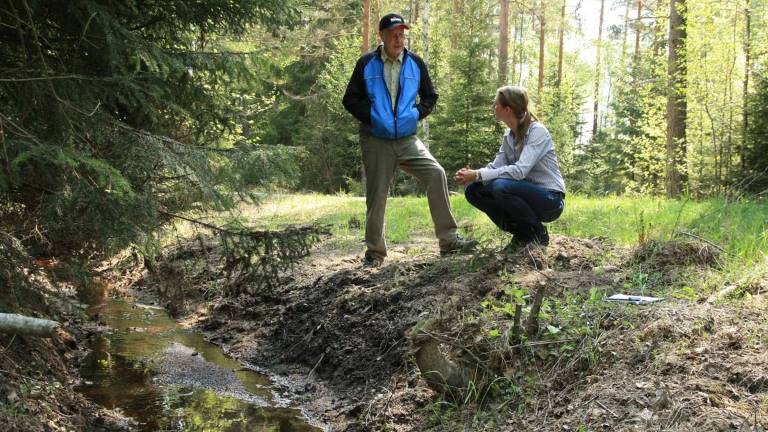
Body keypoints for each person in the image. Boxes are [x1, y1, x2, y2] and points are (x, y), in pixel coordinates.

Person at [342, 13, 476, 267]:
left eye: (402, 34)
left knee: (436, 173)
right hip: (376, 139)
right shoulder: (366, 64)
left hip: (407, 139)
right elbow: (350, 99)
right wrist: (372, 117)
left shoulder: (415, 63)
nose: (398, 39)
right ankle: (375, 253)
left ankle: (448, 242)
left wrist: (416, 114)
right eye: (393, 34)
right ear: (381, 36)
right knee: (377, 193)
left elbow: (430, 97)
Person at [454, 85, 565, 251]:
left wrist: (478, 174)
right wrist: (471, 176)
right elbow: (496, 166)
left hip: (550, 199)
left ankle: (538, 233)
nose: (493, 107)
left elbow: (520, 171)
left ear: (507, 109)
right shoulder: (509, 135)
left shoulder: (537, 132)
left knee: (501, 186)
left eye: (496, 103)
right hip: (523, 192)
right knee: (474, 190)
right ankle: (522, 233)